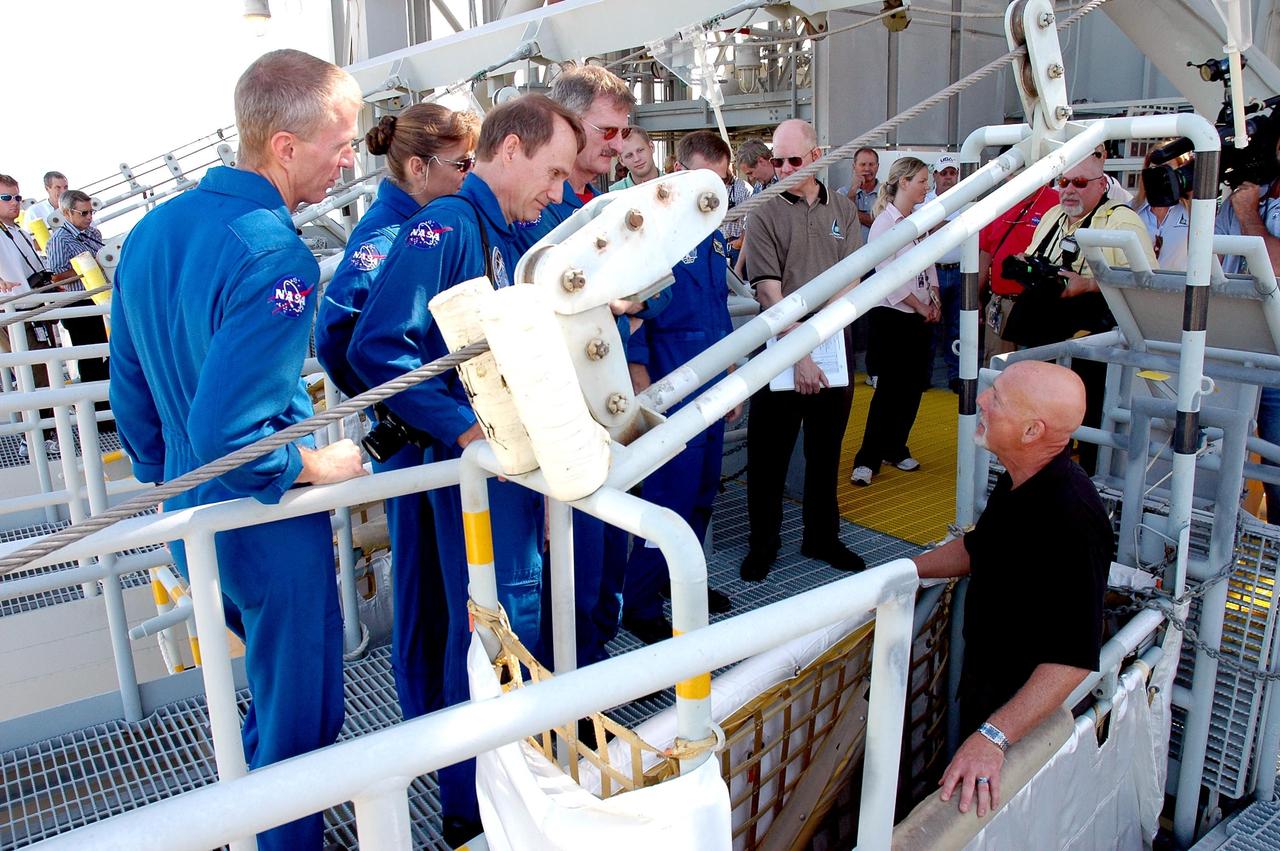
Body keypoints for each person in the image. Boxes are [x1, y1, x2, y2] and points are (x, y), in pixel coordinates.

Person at [109, 49, 367, 851]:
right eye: (341, 141)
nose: (350, 158)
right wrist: (318, 464)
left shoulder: (151, 231)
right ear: (285, 147)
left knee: (259, 698)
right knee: (303, 723)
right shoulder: (276, 254)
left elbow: (132, 399)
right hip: (267, 532)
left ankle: (250, 819)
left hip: (193, 522)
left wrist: (170, 477)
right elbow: (237, 437)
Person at [347, 93, 582, 842]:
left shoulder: (499, 230)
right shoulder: (449, 225)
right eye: (550, 173)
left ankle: (502, 785)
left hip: (509, 470)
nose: (555, 192)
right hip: (480, 471)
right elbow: (375, 346)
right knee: (491, 628)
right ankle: (472, 804)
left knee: (503, 623)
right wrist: (463, 434)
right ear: (508, 149)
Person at [315, 104, 479, 727]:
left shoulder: (425, 222)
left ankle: (438, 722)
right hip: (420, 439)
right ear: (418, 166)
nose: (470, 175)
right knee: (425, 592)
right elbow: (339, 336)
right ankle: (430, 727)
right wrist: (408, 408)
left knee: (438, 590)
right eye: (461, 163)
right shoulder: (392, 232)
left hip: (428, 429)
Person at [915, 361, 1110, 817]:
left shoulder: (1073, 516)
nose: (981, 401)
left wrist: (993, 737)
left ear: (1031, 431)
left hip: (1016, 723)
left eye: (996, 399)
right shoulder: (1021, 477)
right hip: (984, 692)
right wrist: (901, 573)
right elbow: (981, 547)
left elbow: (1073, 659)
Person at [621, 130, 739, 643]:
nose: (712, 191)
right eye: (703, 179)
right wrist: (640, 371)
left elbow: (718, 306)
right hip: (671, 374)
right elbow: (629, 307)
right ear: (677, 169)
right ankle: (641, 602)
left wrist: (733, 372)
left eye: (721, 181)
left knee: (704, 488)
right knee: (669, 494)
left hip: (711, 372)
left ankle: (681, 580)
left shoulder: (710, 231)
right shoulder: (654, 228)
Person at [740, 118, 866, 582]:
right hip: (781, 348)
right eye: (777, 161)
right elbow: (769, 291)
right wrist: (802, 353)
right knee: (768, 457)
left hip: (831, 347)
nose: (784, 169)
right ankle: (763, 545)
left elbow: (853, 274)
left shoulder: (845, 209)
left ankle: (822, 537)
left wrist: (821, 341)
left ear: (817, 156)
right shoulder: (764, 212)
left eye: (794, 160)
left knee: (826, 452)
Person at [1012, 154, 1155, 472]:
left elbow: (1147, 284)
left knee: (1091, 421)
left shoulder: (1122, 221)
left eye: (1079, 183)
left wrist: (1090, 285)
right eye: (1063, 182)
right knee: (1039, 417)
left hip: (1095, 345)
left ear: (1102, 185)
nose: (1069, 191)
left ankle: (1091, 484)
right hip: (1045, 338)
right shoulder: (1052, 217)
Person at [850, 157, 940, 487]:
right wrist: (920, 304)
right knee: (889, 389)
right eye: (920, 180)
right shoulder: (884, 224)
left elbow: (928, 262)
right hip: (893, 316)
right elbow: (887, 274)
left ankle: (895, 446)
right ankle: (867, 457)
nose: (926, 186)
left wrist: (935, 297)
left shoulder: (917, 221)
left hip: (917, 314)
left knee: (913, 386)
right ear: (903, 182)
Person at [1216, 137, 1280, 522]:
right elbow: (1209, 256)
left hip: (1277, 360)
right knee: (1217, 462)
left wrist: (1250, 217)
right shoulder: (1250, 194)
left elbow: (1275, 265)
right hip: (1235, 352)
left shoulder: (1248, 206)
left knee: (1275, 468)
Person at [0, 175, 57, 453]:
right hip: (14, 312)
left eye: (17, 197)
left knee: (45, 372)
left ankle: (42, 432)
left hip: (34, 308)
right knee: (30, 375)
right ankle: (31, 438)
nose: (14, 203)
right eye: (6, 198)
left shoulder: (20, 231)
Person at [45, 189, 111, 415]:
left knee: (107, 350)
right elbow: (54, 275)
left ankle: (106, 403)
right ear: (66, 213)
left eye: (90, 212)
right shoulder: (59, 240)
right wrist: (86, 268)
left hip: (100, 300)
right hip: (79, 304)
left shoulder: (93, 233)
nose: (89, 217)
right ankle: (97, 410)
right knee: (90, 356)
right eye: (83, 213)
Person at [977, 181, 1059, 358]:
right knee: (996, 366)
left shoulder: (1056, 202)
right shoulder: (996, 203)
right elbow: (985, 253)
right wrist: (975, 296)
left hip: (1037, 305)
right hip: (1000, 304)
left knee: (1032, 370)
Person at [923, 154, 963, 392]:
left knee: (958, 327)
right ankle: (924, 374)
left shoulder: (967, 198)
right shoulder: (923, 202)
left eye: (952, 172)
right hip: (932, 272)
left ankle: (956, 374)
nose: (948, 177)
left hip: (959, 271)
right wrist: (952, 226)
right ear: (935, 175)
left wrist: (938, 226)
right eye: (944, 173)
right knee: (929, 325)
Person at [1134, 142, 1192, 272]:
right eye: (1155, 169)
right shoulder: (1131, 210)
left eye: (1165, 169)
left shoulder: (1194, 212)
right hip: (1139, 288)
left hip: (1179, 289)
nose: (1159, 177)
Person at [609, 126, 661, 190]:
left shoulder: (675, 184)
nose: (637, 159)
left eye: (640, 150)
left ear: (651, 147)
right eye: (629, 155)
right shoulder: (613, 195)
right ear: (621, 161)